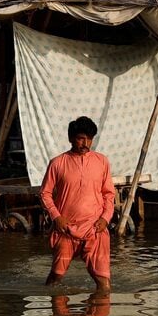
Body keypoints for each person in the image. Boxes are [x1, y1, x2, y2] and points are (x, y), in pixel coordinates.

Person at [39, 115, 117, 294]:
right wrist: (56, 217)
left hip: (95, 229)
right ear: (71, 138)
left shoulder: (102, 161)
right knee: (57, 275)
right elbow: (45, 193)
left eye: (89, 139)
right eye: (81, 138)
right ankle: (56, 313)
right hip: (66, 229)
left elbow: (109, 194)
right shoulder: (58, 163)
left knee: (103, 282)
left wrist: (105, 218)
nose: (86, 143)